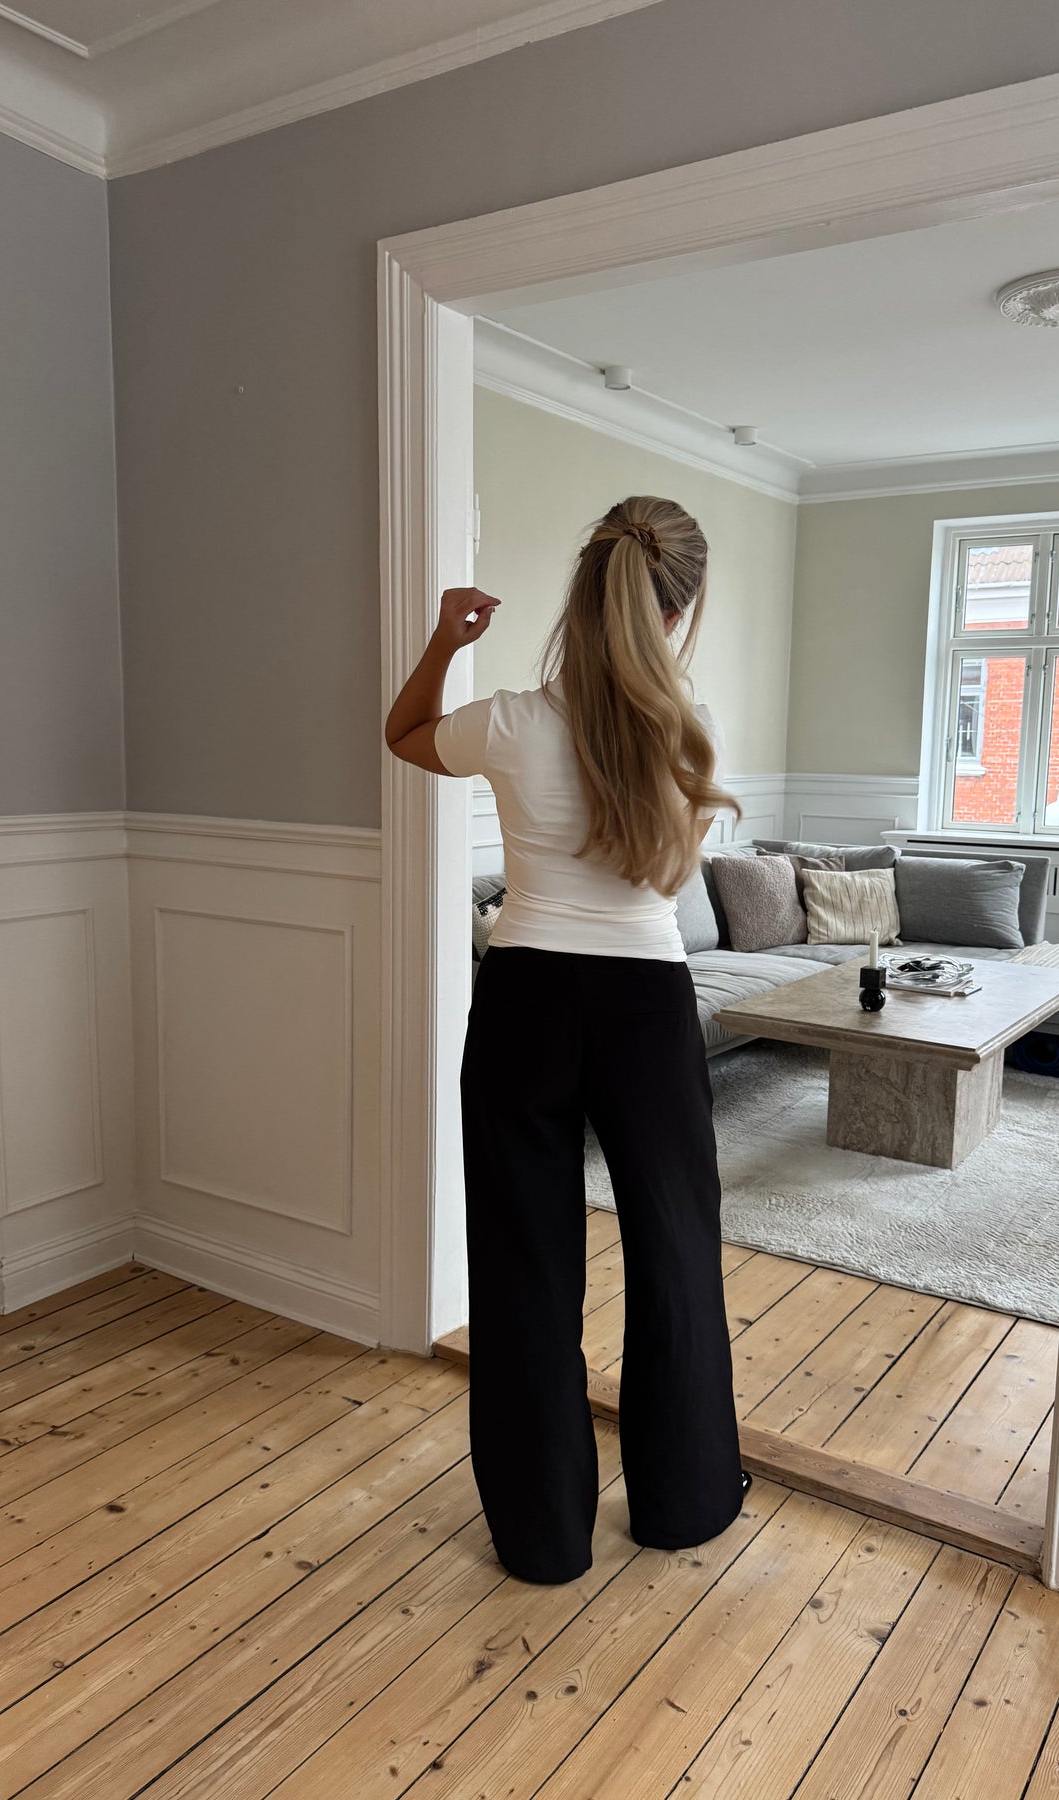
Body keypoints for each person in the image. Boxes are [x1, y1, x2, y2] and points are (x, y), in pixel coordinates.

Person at [385, 494, 751, 1585]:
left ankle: (542, 1537)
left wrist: (446, 639)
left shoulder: (506, 720)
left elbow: (402, 735)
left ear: (584, 598)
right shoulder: (688, 729)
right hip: (646, 1006)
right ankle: (685, 1503)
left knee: (523, 1266)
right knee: (674, 1250)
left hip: (526, 999)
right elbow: (669, 872)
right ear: (678, 611)